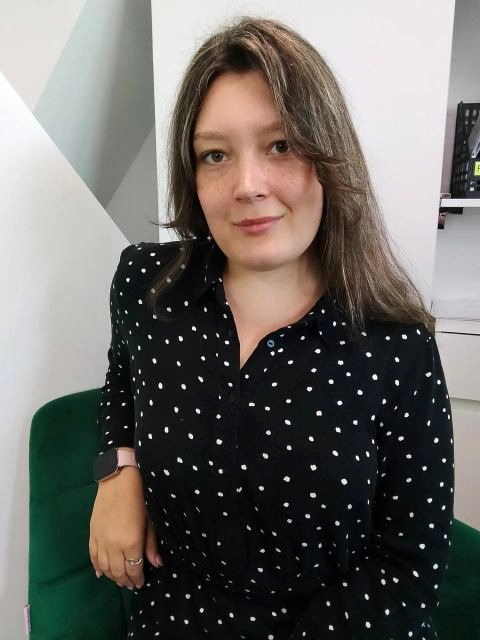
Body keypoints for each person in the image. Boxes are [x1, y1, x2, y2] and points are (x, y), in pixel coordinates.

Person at [89, 16, 455, 640]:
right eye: (215, 155)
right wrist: (117, 469)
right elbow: (123, 378)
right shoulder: (148, 285)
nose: (247, 186)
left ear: (329, 158)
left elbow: (410, 569)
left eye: (281, 145)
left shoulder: (398, 345)